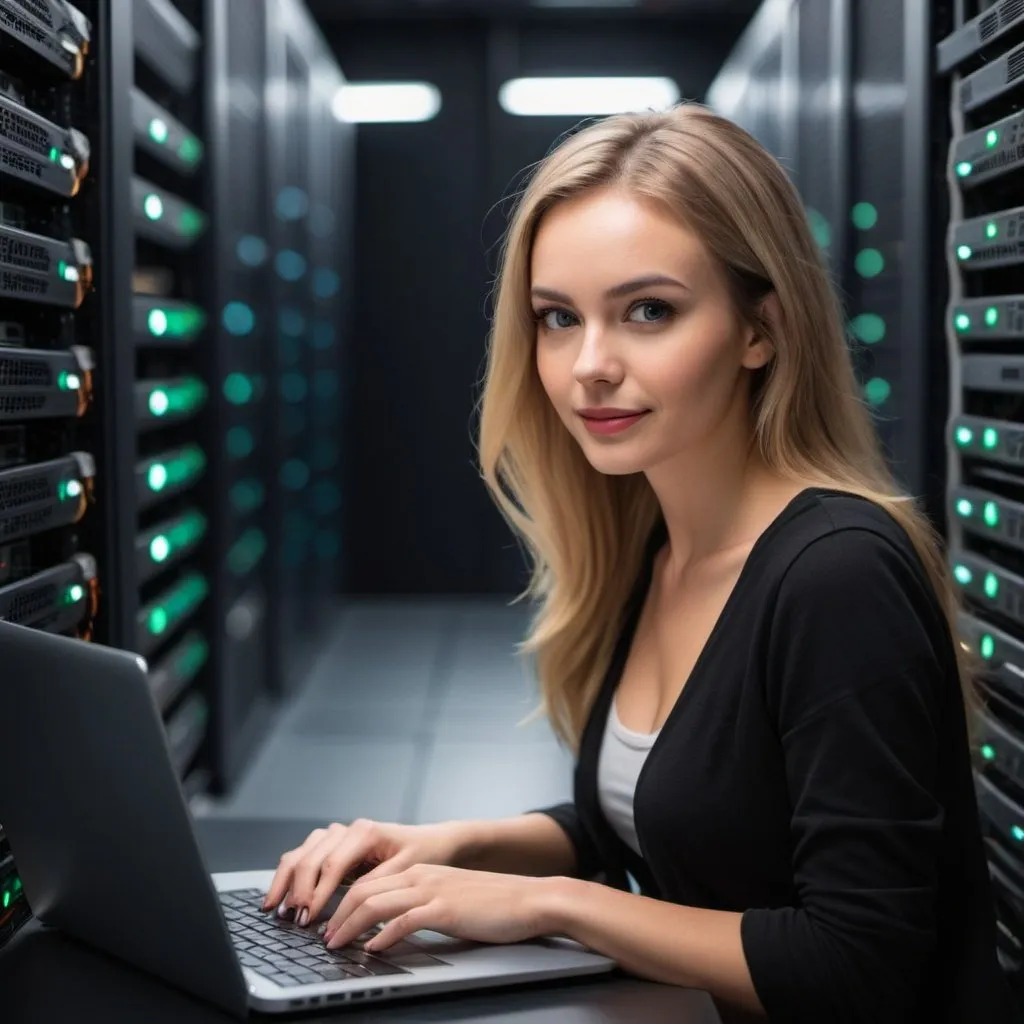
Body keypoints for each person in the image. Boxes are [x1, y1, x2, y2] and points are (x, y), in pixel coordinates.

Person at [261, 104, 1014, 1022]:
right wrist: (437, 846)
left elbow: (858, 964)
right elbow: (665, 818)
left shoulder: (836, 575)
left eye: (647, 311)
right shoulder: (654, 543)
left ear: (759, 329)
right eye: (557, 318)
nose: (590, 366)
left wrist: (552, 904)